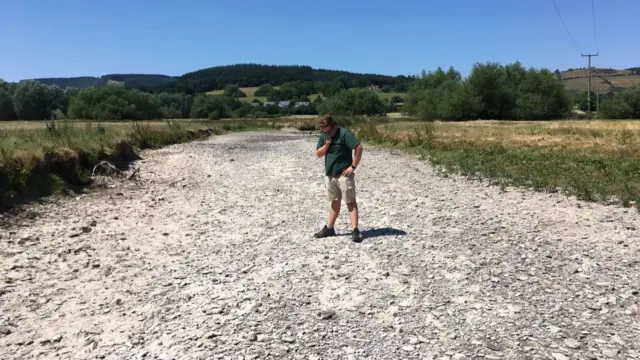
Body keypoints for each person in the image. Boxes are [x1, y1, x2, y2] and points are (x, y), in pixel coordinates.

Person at [313, 114, 364, 242]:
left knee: (350, 201)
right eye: (324, 131)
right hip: (330, 174)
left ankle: (355, 230)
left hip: (344, 174)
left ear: (333, 125)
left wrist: (353, 166)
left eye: (328, 130)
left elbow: (358, 147)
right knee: (334, 201)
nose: (326, 133)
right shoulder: (324, 136)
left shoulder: (344, 133)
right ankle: (329, 228)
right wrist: (327, 144)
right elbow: (318, 154)